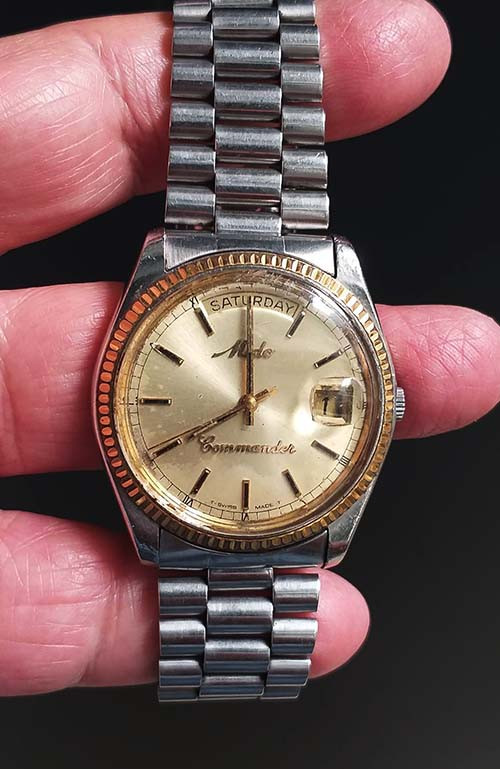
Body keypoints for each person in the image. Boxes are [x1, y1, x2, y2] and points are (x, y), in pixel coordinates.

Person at [0, 1, 498, 697]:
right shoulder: (201, 263)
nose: (246, 405)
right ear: (387, 403)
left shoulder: (293, 267)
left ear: (386, 404)